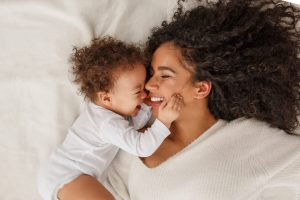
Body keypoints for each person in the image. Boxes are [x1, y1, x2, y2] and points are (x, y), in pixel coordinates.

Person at [56, 0, 300, 199]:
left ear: (201, 88)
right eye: (151, 74)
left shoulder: (247, 139)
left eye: (165, 75)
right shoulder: (133, 133)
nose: (150, 85)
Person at [37, 36, 184, 200]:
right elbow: (140, 146)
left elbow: (131, 127)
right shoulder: (106, 122)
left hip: (64, 174)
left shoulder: (109, 112)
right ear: (106, 98)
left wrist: (146, 105)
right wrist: (164, 121)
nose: (145, 94)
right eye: (138, 92)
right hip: (68, 175)